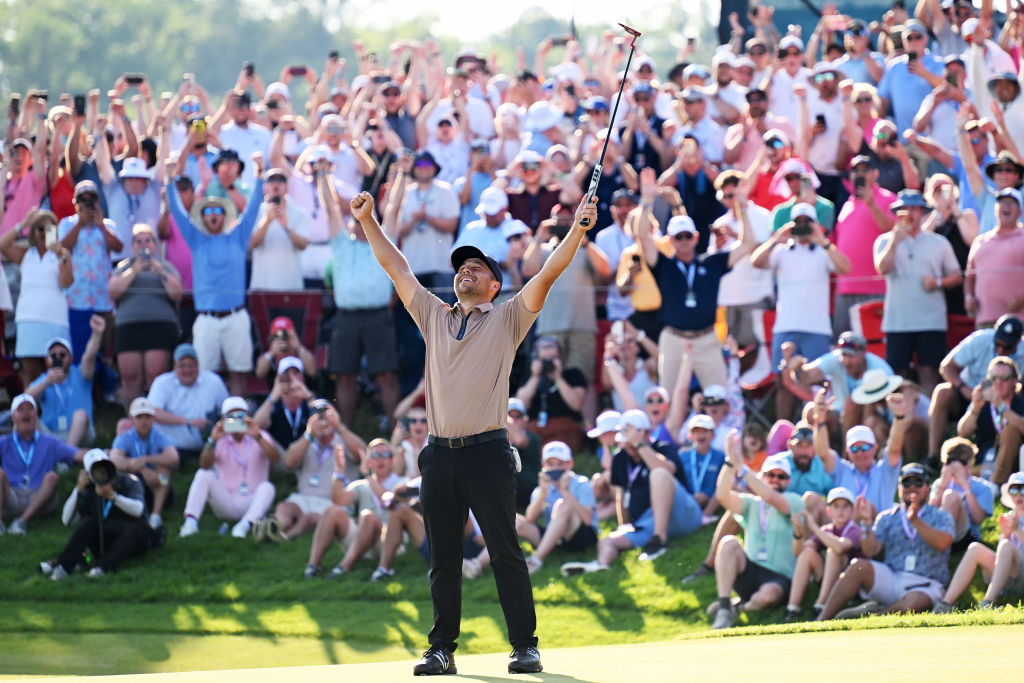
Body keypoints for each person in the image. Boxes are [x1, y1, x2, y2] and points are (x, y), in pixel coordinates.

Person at [351, 186, 600, 675]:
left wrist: (578, 230)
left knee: (505, 550)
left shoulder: (508, 317)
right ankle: (441, 648)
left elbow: (548, 272)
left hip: (488, 452)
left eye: (478, 268)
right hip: (439, 455)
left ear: (493, 287)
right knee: (443, 558)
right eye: (463, 266)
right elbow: (397, 268)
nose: (466, 270)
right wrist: (368, 222)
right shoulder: (434, 315)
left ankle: (524, 645)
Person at [638, 188, 756, 395]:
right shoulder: (664, 265)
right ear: (671, 240)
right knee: (669, 398)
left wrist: (742, 208)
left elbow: (747, 244)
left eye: (687, 235)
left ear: (696, 237)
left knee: (720, 397)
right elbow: (642, 236)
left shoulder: (711, 263)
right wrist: (647, 201)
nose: (684, 240)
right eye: (678, 236)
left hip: (706, 339)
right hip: (673, 339)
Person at [165, 156, 265, 397]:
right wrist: (169, 181)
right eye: (208, 211)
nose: (212, 215)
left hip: (236, 316)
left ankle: (239, 418)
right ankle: (211, 424)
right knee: (206, 376)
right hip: (207, 319)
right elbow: (178, 213)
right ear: (203, 215)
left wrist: (260, 175)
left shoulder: (238, 236)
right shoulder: (196, 239)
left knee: (239, 373)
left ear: (224, 215)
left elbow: (252, 209)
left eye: (217, 211)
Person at [559, 410, 702, 575]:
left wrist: (641, 445)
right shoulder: (621, 456)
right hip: (647, 523)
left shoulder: (663, 448)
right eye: (627, 443)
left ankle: (659, 540)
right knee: (607, 541)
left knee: (659, 473)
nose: (630, 447)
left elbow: (666, 470)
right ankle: (600, 565)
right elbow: (621, 496)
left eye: (632, 443)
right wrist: (623, 525)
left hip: (682, 514)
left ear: (647, 434)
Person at [817, 463, 955, 620]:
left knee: (914, 603)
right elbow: (870, 550)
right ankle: (821, 620)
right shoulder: (887, 517)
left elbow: (943, 543)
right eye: (906, 482)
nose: (912, 487)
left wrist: (915, 520)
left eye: (918, 482)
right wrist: (866, 524)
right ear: (899, 488)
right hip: (893, 577)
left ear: (928, 488)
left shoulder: (941, 516)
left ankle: (871, 616)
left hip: (926, 583)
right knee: (858, 566)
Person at [874, 189, 962, 395]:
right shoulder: (885, 241)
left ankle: (933, 422)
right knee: (898, 373)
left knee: (930, 371)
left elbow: (957, 276)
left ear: (922, 212)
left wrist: (938, 281)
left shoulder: (938, 243)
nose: (910, 214)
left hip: (931, 321)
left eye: (914, 209)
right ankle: (901, 420)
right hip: (898, 321)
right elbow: (882, 269)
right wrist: (896, 240)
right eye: (905, 209)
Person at [709, 450, 806, 629]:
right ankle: (724, 607)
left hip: (780, 578)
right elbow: (722, 496)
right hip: (751, 570)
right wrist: (731, 462)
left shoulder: (794, 501)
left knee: (768, 595)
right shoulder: (752, 503)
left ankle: (738, 608)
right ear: (762, 477)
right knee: (729, 542)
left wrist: (742, 468)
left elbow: (770, 497)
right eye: (771, 475)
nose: (775, 479)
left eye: (781, 476)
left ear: (788, 481)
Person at [256, 401, 359, 543]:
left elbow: (362, 453)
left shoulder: (344, 440)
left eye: (327, 416)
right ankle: (274, 527)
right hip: (304, 499)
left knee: (309, 519)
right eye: (318, 417)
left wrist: (340, 427)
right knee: (284, 507)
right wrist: (309, 434)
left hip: (333, 503)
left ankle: (284, 537)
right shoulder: (305, 442)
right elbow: (289, 462)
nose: (323, 422)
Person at [179, 396, 278, 539]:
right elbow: (205, 464)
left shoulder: (260, 435)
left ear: (248, 417)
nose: (237, 421)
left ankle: (245, 525)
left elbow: (275, 458)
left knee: (268, 488)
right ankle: (190, 523)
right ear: (224, 419)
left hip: (253, 500)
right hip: (226, 500)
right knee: (203, 474)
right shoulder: (219, 438)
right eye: (231, 417)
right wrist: (212, 441)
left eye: (241, 416)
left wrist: (257, 436)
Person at [47, 450, 153, 580]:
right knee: (88, 524)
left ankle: (102, 568)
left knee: (132, 530)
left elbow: (138, 510)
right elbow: (67, 520)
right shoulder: (88, 489)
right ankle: (63, 567)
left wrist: (112, 496)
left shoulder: (129, 481)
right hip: (103, 539)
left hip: (134, 538)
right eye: (95, 470)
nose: (101, 474)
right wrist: (78, 489)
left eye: (103, 468)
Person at [929, 316, 1024, 460]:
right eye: (997, 344)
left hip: (1007, 399)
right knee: (943, 393)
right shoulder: (980, 339)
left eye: (1007, 347)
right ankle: (933, 456)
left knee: (1011, 429)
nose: (1001, 349)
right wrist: (965, 390)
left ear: (1018, 342)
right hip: (970, 392)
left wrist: (1003, 405)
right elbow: (946, 367)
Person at [109, 224, 184, 406]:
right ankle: (133, 423)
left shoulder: (166, 267)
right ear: (133, 246)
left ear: (155, 245)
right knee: (129, 377)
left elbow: (177, 294)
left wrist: (159, 272)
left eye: (148, 240)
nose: (143, 244)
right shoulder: (123, 266)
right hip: (129, 327)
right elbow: (113, 291)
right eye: (138, 241)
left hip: (159, 326)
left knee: (156, 375)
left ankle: (158, 421)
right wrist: (134, 270)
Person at [0, 208, 73, 387]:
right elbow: (2, 245)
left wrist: (59, 255)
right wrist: (23, 223)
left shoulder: (63, 254)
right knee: (32, 375)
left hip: (54, 320)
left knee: (57, 374)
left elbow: (66, 282)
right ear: (33, 231)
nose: (43, 233)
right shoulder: (26, 254)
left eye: (48, 229)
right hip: (29, 320)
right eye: (39, 228)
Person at [932, 471, 1024, 612]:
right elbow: (1004, 554)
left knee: (1006, 545)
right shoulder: (1009, 517)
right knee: (975, 548)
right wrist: (1006, 534)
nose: (1018, 494)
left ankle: (988, 602)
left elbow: (1010, 549)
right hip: (1008, 576)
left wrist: (1016, 530)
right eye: (1014, 489)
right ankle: (946, 604)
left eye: (1023, 489)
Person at [0, 394, 81, 535]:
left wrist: (101, 455)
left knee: (52, 477)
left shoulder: (49, 442)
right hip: (12, 496)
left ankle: (21, 522)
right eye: (20, 410)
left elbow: (77, 454)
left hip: (40, 498)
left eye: (30, 409)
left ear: (36, 415)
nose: (26, 413)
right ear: (13, 417)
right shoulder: (4, 442)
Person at [517, 441, 598, 575]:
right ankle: (487, 562)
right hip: (555, 539)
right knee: (515, 520)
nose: (555, 469)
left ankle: (535, 560)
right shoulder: (540, 489)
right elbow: (530, 520)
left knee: (563, 505)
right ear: (544, 466)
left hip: (582, 537)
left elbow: (588, 520)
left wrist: (566, 492)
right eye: (550, 464)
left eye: (560, 464)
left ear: (569, 464)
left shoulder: (582, 483)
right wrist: (543, 493)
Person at [785, 486, 861, 621]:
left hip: (852, 586)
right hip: (832, 581)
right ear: (829, 511)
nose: (841, 510)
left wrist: (814, 527)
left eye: (845, 506)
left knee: (833, 552)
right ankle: (792, 608)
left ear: (852, 510)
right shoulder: (826, 530)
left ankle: (820, 605)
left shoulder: (854, 529)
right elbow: (799, 552)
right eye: (836, 506)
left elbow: (839, 547)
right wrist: (798, 533)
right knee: (808, 553)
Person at [27, 316, 105, 446]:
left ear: (70, 358)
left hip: (81, 433)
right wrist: (46, 382)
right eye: (53, 355)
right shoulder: (44, 379)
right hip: (51, 434)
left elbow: (89, 356)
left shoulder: (80, 373)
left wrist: (97, 333)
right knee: (28, 415)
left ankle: (66, 456)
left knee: (80, 415)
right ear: (47, 360)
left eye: (62, 355)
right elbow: (25, 398)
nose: (58, 358)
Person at [147, 343, 229, 460]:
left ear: (198, 365)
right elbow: (153, 412)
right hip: (169, 449)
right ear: (174, 367)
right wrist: (188, 422)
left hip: (209, 447)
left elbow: (227, 411)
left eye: (191, 365)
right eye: (182, 365)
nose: (187, 370)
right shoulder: (162, 383)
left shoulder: (214, 381)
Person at [109, 397, 180, 529]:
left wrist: (146, 459)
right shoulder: (125, 438)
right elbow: (114, 459)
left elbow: (173, 457)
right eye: (139, 417)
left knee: (163, 471)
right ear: (132, 419)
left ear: (153, 418)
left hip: (157, 484)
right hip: (134, 481)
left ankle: (156, 515)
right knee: (120, 470)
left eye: (147, 416)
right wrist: (141, 468)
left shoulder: (159, 436)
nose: (144, 421)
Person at [956, 356, 1024, 485]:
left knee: (1010, 431)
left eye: (1004, 378)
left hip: (1014, 463)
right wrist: (975, 408)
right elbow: (962, 432)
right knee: (959, 474)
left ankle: (994, 485)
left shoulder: (1020, 403)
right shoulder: (982, 403)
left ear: (1014, 381)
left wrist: (1002, 407)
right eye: (993, 378)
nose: (998, 383)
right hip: (987, 462)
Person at [928, 437, 993, 549]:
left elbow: (977, 520)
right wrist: (942, 486)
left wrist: (966, 486)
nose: (956, 467)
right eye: (951, 461)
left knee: (950, 496)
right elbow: (929, 514)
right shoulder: (939, 484)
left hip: (967, 536)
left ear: (970, 462)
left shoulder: (982, 487)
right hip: (938, 532)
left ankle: (936, 545)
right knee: (948, 495)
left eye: (961, 462)